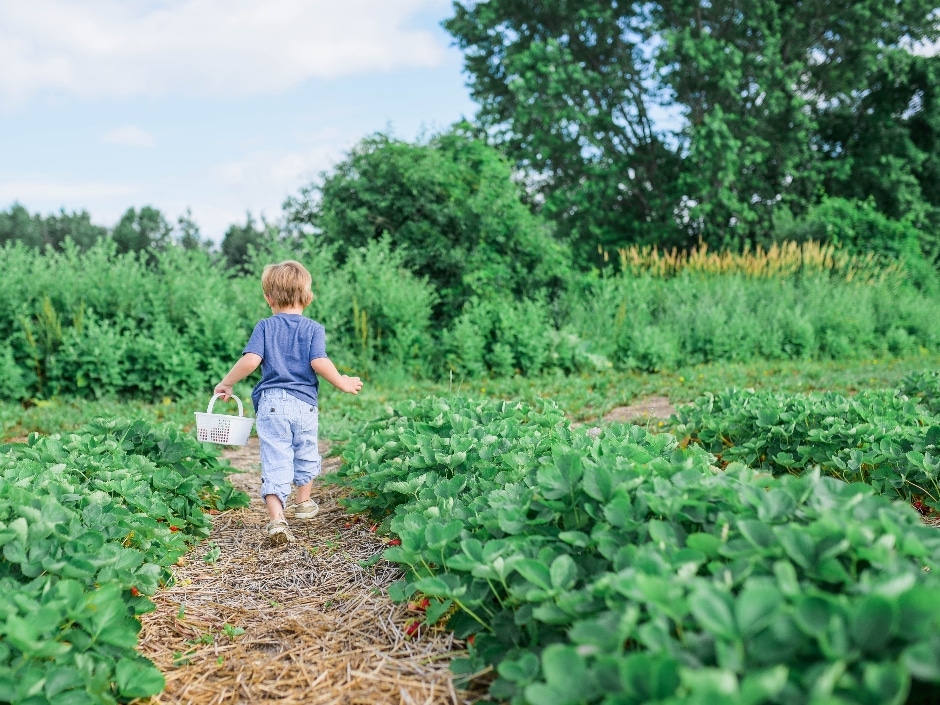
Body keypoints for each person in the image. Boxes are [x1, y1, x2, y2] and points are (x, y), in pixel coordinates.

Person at [214, 260, 363, 545]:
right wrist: (342, 382)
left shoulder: (265, 327)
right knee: (306, 450)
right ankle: (303, 502)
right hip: (304, 404)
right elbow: (319, 362)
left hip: (271, 404)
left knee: (275, 459)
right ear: (307, 297)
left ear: (268, 298)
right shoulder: (313, 328)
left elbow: (251, 360)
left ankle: (277, 520)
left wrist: (228, 382)